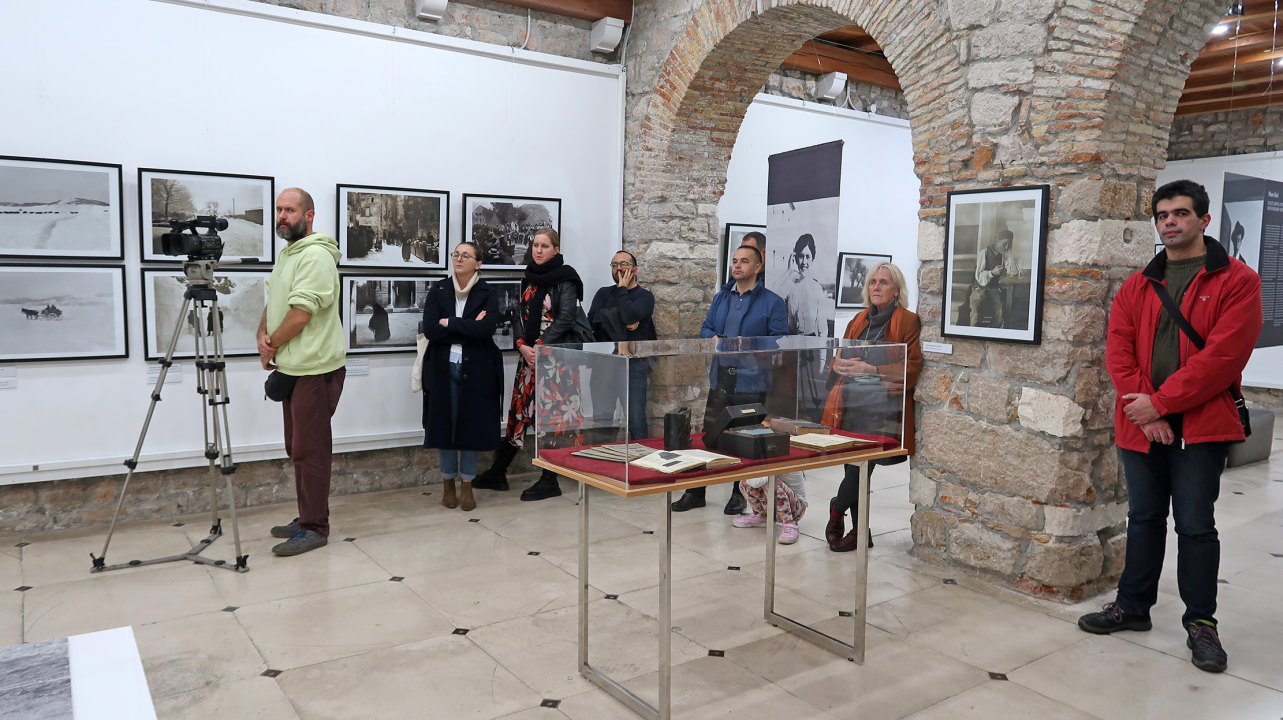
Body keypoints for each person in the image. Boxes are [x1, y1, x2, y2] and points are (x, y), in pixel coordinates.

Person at [1078, 179, 1261, 674]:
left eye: (1180, 213)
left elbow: (1223, 358)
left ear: (1204, 220)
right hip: (1140, 423)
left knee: (1196, 525)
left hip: (1200, 424)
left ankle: (1201, 623)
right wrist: (1146, 407)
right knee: (1142, 518)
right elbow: (1117, 349)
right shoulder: (1138, 284)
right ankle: (1133, 606)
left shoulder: (1238, 281)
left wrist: (1159, 404)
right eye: (1162, 215)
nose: (1169, 222)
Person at [259, 188, 346, 557]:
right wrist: (262, 338)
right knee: (297, 448)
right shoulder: (288, 254)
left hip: (315, 368)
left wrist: (273, 343)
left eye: (290, 210)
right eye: (279, 209)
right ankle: (306, 516)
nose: (282, 216)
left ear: (308, 215)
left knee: (311, 451)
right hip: (294, 366)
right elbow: (275, 303)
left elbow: (300, 312)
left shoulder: (315, 256)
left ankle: (315, 527)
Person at [671, 245, 787, 516]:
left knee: (744, 439)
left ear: (757, 268)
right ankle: (696, 491)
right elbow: (705, 329)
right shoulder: (721, 297)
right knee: (709, 437)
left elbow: (779, 340)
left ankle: (739, 493)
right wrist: (712, 339)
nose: (737, 266)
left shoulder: (773, 302)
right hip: (721, 377)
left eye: (744, 261)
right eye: (735, 261)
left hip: (752, 381)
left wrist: (743, 344)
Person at [473, 228, 584, 501]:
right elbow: (520, 316)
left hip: (556, 360)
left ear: (556, 250)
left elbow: (567, 317)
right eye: (535, 245)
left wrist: (540, 344)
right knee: (520, 413)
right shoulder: (529, 279)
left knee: (552, 418)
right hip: (530, 359)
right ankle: (498, 472)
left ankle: (550, 479)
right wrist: (522, 344)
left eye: (545, 246)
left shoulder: (566, 279)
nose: (538, 250)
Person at [821, 262, 922, 552]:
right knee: (853, 469)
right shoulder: (858, 319)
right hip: (850, 404)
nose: (876, 287)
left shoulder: (907, 321)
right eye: (872, 282)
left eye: (883, 283)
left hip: (882, 409)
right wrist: (836, 363)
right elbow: (840, 355)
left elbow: (910, 367)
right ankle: (860, 532)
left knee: (860, 469)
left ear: (896, 291)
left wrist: (871, 368)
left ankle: (837, 509)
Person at [422, 242, 502, 512]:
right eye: (456, 254)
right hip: (442, 366)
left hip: (478, 366)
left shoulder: (488, 292)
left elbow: (487, 329)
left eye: (465, 255)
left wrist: (451, 322)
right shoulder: (439, 290)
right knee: (445, 424)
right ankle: (447, 483)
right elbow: (432, 329)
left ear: (478, 263)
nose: (459, 258)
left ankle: (467, 484)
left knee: (471, 425)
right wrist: (468, 326)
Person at [587, 250, 657, 442]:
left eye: (624, 264)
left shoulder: (645, 297)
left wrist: (621, 291)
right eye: (614, 265)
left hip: (634, 364)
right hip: (604, 364)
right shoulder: (602, 293)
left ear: (634, 269)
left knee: (636, 421)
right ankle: (601, 466)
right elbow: (592, 321)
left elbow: (626, 316)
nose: (618, 268)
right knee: (602, 422)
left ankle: (641, 466)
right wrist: (625, 321)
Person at [781, 234, 827, 336]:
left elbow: (822, 329)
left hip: (811, 345)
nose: (804, 262)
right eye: (801, 257)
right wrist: (788, 271)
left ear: (812, 259)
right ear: (795, 258)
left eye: (808, 256)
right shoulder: (788, 286)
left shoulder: (816, 288)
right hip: (790, 343)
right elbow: (772, 298)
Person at [968, 230, 1013, 327]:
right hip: (979, 288)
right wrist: (992, 273)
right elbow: (979, 275)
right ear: (997, 241)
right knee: (976, 314)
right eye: (1004, 244)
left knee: (1000, 315)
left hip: (993, 288)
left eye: (1008, 245)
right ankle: (973, 333)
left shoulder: (1003, 254)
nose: (1006, 247)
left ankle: (990, 333)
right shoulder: (984, 252)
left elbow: (1008, 272)